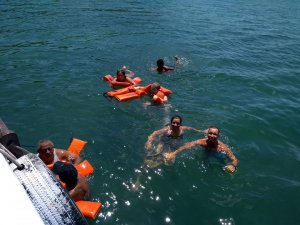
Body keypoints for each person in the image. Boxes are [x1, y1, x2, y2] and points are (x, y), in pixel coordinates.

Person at [164, 127, 239, 173]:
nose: (212, 136)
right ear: (207, 134)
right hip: (206, 151)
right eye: (210, 133)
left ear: (218, 136)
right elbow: (186, 146)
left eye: (214, 134)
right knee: (204, 161)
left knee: (223, 163)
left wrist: (232, 166)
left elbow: (235, 160)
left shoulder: (223, 147)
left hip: (217, 153)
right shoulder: (202, 142)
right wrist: (173, 153)